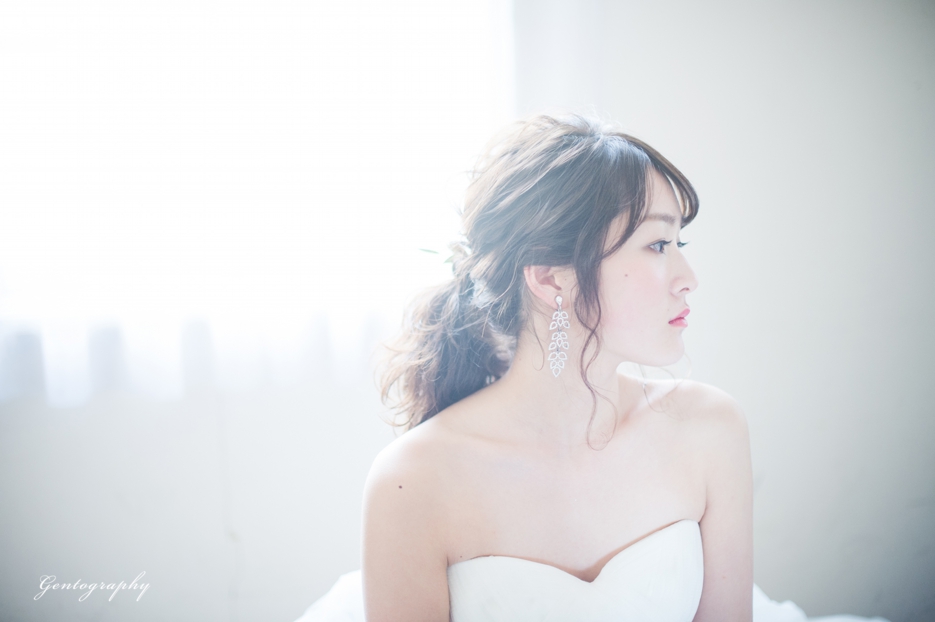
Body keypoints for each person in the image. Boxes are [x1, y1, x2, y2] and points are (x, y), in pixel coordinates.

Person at [293, 114, 892, 622]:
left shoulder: (710, 429)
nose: (688, 279)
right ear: (550, 277)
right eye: (657, 245)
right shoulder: (414, 480)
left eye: (680, 244)